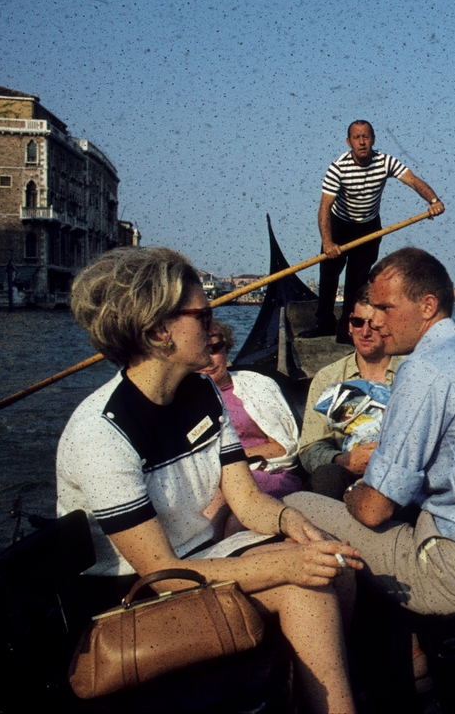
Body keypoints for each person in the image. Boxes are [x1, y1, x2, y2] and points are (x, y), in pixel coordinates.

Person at [56, 246, 362, 714]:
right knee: (306, 589)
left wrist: (291, 524)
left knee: (332, 566)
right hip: (132, 598)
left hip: (201, 559)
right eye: (203, 314)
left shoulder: (202, 394)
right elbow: (160, 576)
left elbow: (247, 501)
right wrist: (284, 566)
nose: (214, 326)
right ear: (160, 331)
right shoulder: (102, 433)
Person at [286, 248, 455, 616]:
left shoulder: (423, 369)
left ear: (427, 306)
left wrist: (350, 492)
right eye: (369, 311)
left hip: (454, 572)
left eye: (385, 308)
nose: (376, 322)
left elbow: (373, 512)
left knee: (293, 506)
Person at [314, 120, 445, 342]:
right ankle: (324, 323)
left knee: (357, 281)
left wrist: (433, 200)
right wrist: (328, 241)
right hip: (340, 225)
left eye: (366, 136)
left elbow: (412, 181)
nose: (362, 142)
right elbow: (325, 206)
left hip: (368, 227)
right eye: (357, 137)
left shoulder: (385, 162)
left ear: (373, 139)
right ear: (349, 142)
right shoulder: (338, 167)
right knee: (329, 276)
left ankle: (346, 329)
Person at [299, 288, 403, 499]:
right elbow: (310, 447)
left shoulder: (412, 374)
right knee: (326, 477)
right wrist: (343, 460)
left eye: (374, 324)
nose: (365, 332)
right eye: (358, 323)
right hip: (344, 474)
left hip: (399, 475)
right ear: (349, 324)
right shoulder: (328, 378)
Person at [201, 321, 303, 499]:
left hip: (269, 475)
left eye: (214, 348)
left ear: (226, 348)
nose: (208, 360)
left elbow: (283, 448)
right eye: (199, 352)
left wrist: (229, 459)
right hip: (213, 484)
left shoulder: (257, 385)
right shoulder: (180, 401)